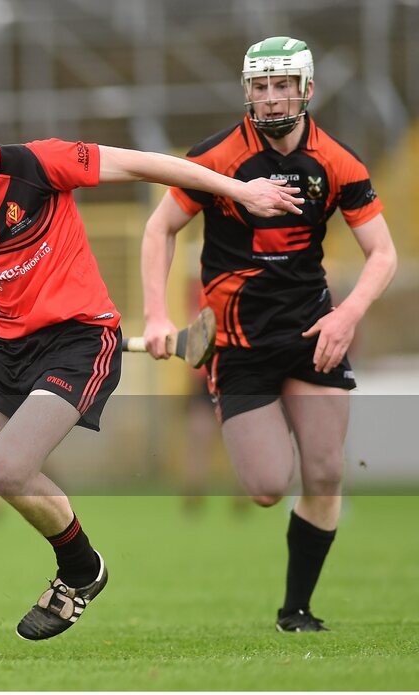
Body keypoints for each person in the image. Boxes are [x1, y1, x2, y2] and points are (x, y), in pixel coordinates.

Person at [0, 95, 304, 648]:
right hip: (7, 356)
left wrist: (240, 189)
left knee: (9, 469)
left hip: (80, 342)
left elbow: (144, 162)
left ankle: (80, 568)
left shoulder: (36, 166)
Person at [140, 37, 396, 632]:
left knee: (327, 474)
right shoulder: (215, 157)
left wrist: (347, 314)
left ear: (307, 90)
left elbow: (382, 254)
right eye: (261, 85)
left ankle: (296, 609)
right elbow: (159, 230)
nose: (272, 96)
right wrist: (156, 314)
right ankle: (261, 425)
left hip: (314, 331)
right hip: (237, 343)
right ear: (247, 93)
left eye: (283, 84)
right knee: (264, 486)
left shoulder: (338, 160)